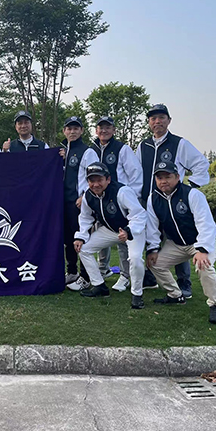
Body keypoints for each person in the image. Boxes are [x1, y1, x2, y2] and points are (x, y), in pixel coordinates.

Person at [136, 104, 210, 298]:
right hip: (150, 201)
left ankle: (184, 283)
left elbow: (201, 163)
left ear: (169, 120)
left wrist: (189, 188)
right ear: (149, 122)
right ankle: (151, 278)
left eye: (161, 117)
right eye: (153, 118)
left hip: (173, 201)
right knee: (149, 238)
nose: (157, 121)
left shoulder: (179, 143)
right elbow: (136, 172)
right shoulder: (143, 146)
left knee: (178, 240)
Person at [145, 160, 216, 324]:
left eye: (167, 177)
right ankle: (175, 295)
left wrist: (202, 250)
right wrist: (152, 249)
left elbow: (205, 224)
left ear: (177, 177)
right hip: (177, 244)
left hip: (206, 240)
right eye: (159, 178)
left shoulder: (192, 194)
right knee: (154, 264)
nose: (163, 181)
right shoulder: (153, 198)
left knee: (203, 265)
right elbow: (152, 227)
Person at [73, 163, 147, 309]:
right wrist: (80, 237)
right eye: (92, 180)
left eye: (99, 180)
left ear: (108, 179)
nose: (95, 184)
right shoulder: (88, 195)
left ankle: (137, 294)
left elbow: (139, 214)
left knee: (135, 259)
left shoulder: (122, 191)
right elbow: (85, 217)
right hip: (111, 230)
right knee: (83, 249)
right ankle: (99, 285)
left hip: (132, 230)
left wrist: (128, 230)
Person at [91, 116, 143, 293]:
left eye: (108, 127)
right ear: (96, 130)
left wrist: (129, 199)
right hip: (98, 199)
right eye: (101, 127)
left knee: (122, 238)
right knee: (99, 233)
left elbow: (135, 174)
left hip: (120, 201)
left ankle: (125, 275)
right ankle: (103, 269)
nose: (104, 131)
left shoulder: (122, 149)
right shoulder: (91, 149)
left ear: (114, 130)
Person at [59, 116, 99, 291]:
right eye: (69, 128)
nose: (72, 132)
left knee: (81, 239)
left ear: (82, 130)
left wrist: (85, 195)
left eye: (76, 128)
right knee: (68, 239)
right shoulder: (62, 151)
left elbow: (95, 177)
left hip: (79, 203)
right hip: (64, 202)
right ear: (64, 131)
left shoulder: (88, 152)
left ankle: (86, 276)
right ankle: (72, 272)